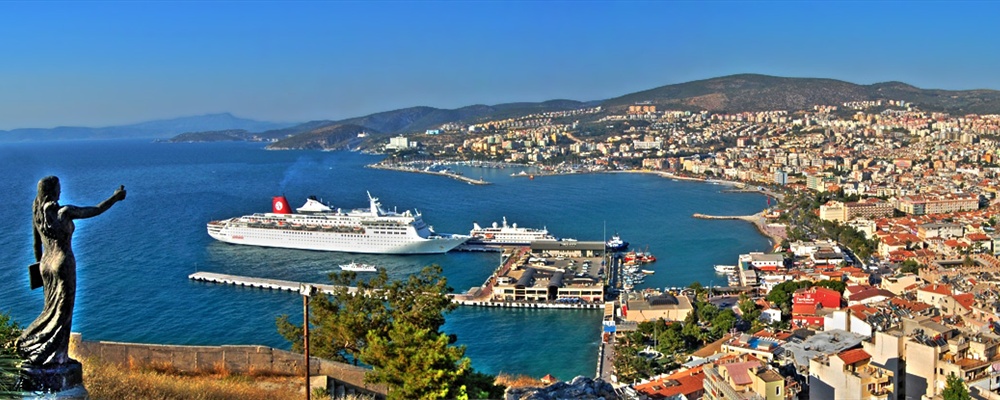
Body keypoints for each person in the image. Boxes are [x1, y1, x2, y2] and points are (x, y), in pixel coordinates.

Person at [17, 176, 126, 366]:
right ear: (52, 191)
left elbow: (36, 244)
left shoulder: (38, 214)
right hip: (62, 263)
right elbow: (96, 209)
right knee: (62, 312)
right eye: (58, 188)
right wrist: (115, 197)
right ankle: (56, 355)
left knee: (49, 308)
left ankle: (34, 345)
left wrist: (40, 268)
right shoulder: (64, 212)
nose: (60, 191)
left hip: (45, 264)